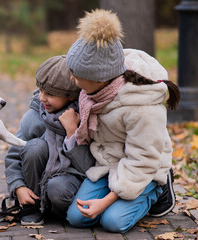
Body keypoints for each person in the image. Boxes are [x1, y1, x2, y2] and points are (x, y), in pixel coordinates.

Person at [62, 9, 180, 233]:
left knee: (112, 222)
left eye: (76, 74)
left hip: (143, 168)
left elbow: (143, 159)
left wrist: (107, 201)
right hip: (109, 164)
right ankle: (120, 198)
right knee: (77, 218)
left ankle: (159, 191)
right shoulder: (94, 92)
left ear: (99, 78)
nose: (71, 78)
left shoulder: (141, 107)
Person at [4, 55, 95, 226]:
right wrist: (18, 187)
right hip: (37, 180)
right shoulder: (35, 117)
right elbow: (13, 156)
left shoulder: (85, 118)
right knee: (34, 147)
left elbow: (88, 167)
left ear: (70, 96)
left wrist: (71, 132)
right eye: (40, 90)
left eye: (50, 94)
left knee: (57, 188)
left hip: (69, 181)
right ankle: (32, 207)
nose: (42, 98)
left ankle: (58, 211)